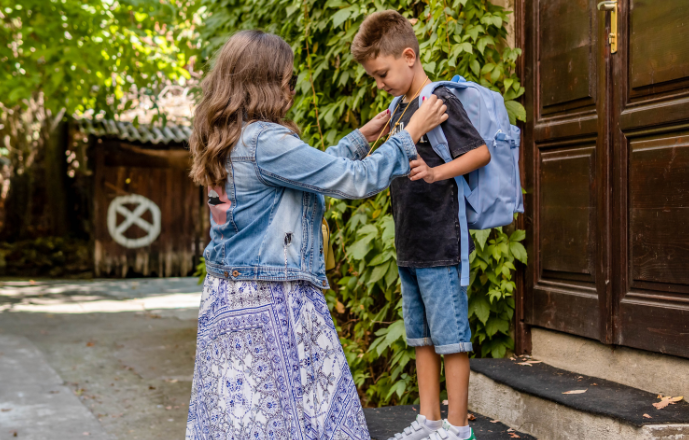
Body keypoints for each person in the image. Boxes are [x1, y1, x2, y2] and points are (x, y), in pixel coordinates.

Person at [185, 29, 448, 440]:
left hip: (228, 295)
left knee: (243, 420)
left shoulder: (229, 136)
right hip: (271, 299)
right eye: (287, 79)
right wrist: (409, 134)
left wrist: (362, 138)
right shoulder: (266, 142)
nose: (292, 87)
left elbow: (310, 173)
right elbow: (355, 182)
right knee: (294, 418)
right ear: (266, 82)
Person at [351, 10, 492, 440]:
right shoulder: (398, 109)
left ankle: (458, 427)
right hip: (409, 242)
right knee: (422, 338)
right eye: (374, 77)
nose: (380, 83)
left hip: (441, 240)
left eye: (382, 73)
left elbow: (480, 153)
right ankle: (431, 420)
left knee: (451, 339)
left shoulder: (439, 100)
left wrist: (436, 173)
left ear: (408, 55)